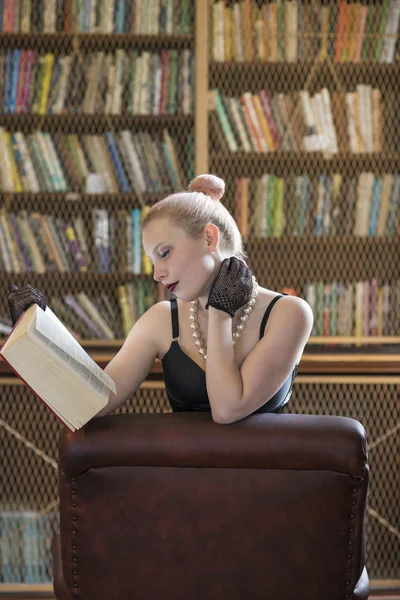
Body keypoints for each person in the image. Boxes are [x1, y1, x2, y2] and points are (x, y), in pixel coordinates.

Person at [7, 174, 313, 424]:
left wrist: (221, 312)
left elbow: (228, 410)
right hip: (180, 484)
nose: (157, 274)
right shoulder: (161, 320)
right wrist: (38, 330)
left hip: (263, 486)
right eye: (153, 261)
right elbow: (93, 403)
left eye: (165, 253)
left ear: (210, 238)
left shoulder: (290, 314)